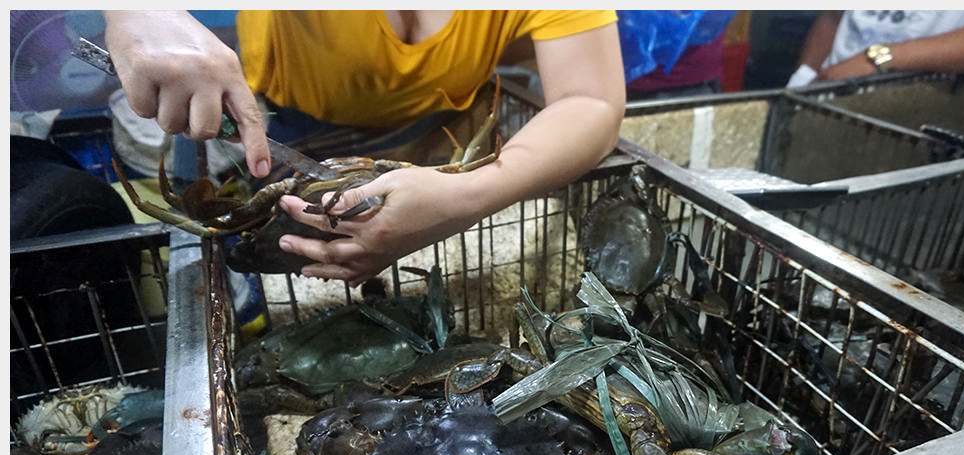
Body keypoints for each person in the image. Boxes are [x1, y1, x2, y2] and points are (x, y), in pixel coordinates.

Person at [102, 10, 625, 285]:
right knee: (290, 264)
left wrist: (471, 195)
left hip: (442, 144)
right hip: (286, 132)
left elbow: (592, 100)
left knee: (426, 270)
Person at [787, 10, 964, 87]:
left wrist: (875, 60)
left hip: (904, 116)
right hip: (820, 96)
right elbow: (833, 16)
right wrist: (802, 77)